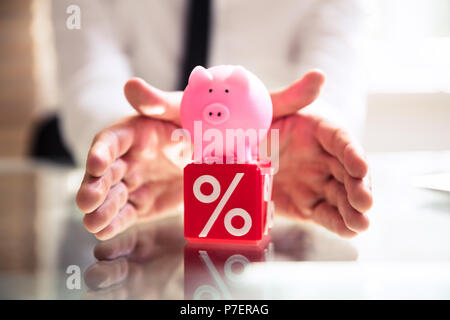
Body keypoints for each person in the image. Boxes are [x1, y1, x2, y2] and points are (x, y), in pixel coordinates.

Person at [52, 0, 372, 240]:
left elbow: (338, 73)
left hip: (287, 184)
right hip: (145, 179)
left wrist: (315, 124)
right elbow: (89, 75)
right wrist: (120, 135)